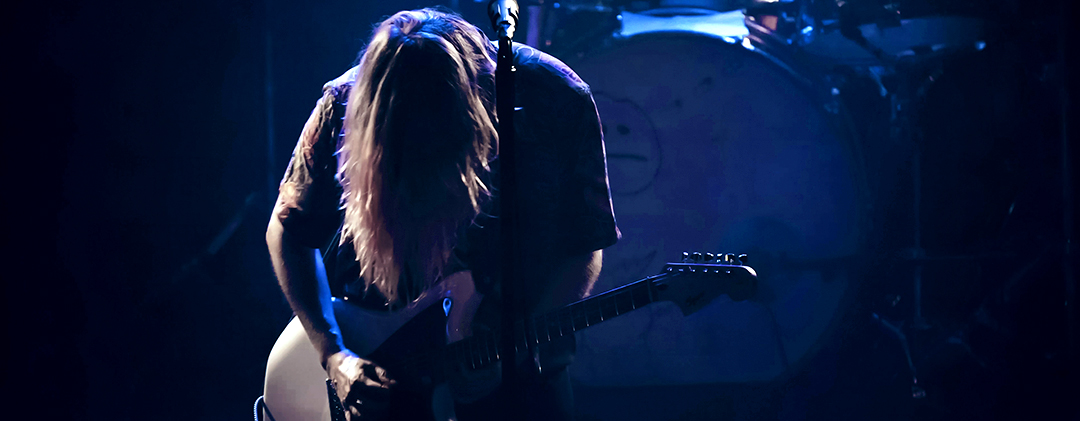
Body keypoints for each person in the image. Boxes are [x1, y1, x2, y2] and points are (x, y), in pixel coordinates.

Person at [266, 7, 619, 421]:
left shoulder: (555, 98)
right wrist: (333, 354)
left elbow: (584, 244)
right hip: (377, 363)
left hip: (523, 375)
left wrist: (524, 341)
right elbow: (289, 230)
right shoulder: (344, 102)